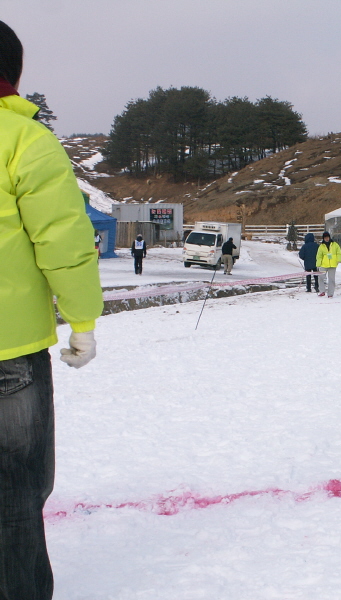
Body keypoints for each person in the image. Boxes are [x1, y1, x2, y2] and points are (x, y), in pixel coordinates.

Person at [0, 20, 103, 600]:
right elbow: (63, 241)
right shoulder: (24, 140)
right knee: (15, 496)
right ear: (13, 75)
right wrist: (83, 322)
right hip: (8, 349)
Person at [315, 231, 341, 298]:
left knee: (331, 279)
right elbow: (319, 256)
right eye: (325, 238)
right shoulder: (321, 246)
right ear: (323, 238)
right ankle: (322, 291)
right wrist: (318, 264)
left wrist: (338, 260)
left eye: (327, 237)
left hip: (332, 265)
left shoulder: (335, 244)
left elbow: (339, 253)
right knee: (321, 278)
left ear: (329, 237)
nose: (326, 239)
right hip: (323, 265)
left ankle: (330, 294)